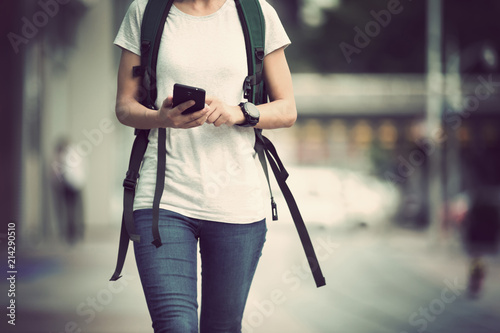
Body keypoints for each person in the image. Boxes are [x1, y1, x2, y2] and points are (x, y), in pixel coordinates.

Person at [114, 0, 296, 332]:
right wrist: (161, 117)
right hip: (162, 200)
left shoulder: (257, 14)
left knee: (221, 327)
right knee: (175, 326)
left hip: (237, 204)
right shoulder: (145, 11)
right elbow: (124, 106)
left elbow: (287, 110)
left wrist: (241, 113)